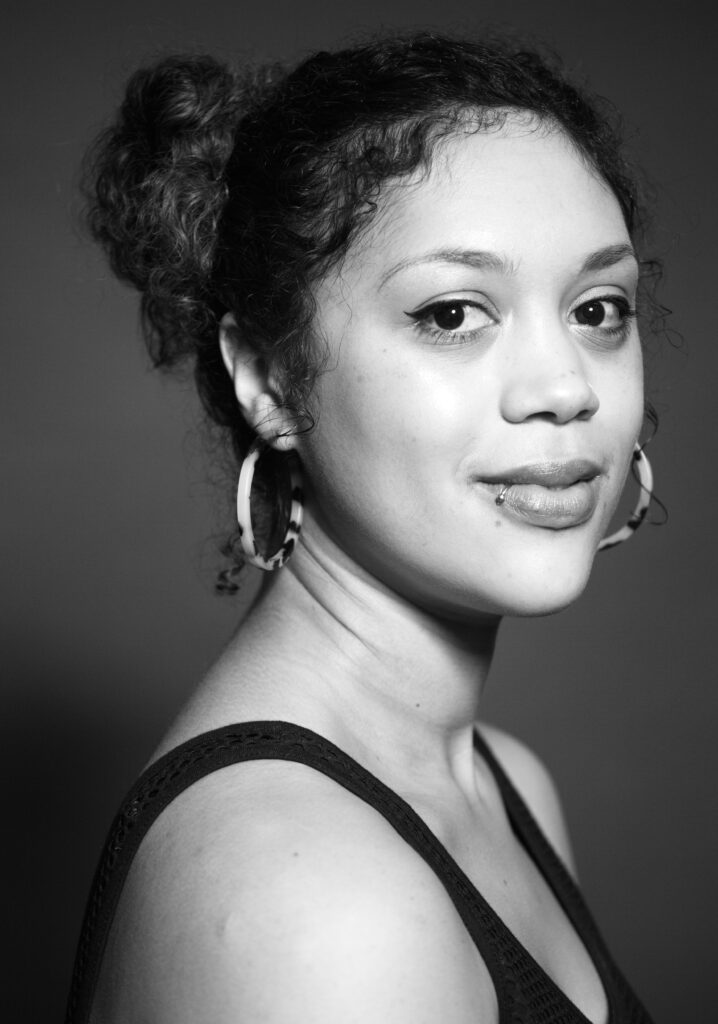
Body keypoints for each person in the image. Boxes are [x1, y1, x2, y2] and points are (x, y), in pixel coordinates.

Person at [66, 32, 659, 1024]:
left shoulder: (508, 783)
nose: (567, 388)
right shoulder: (311, 901)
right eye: (452, 313)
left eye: (598, 307)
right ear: (269, 377)